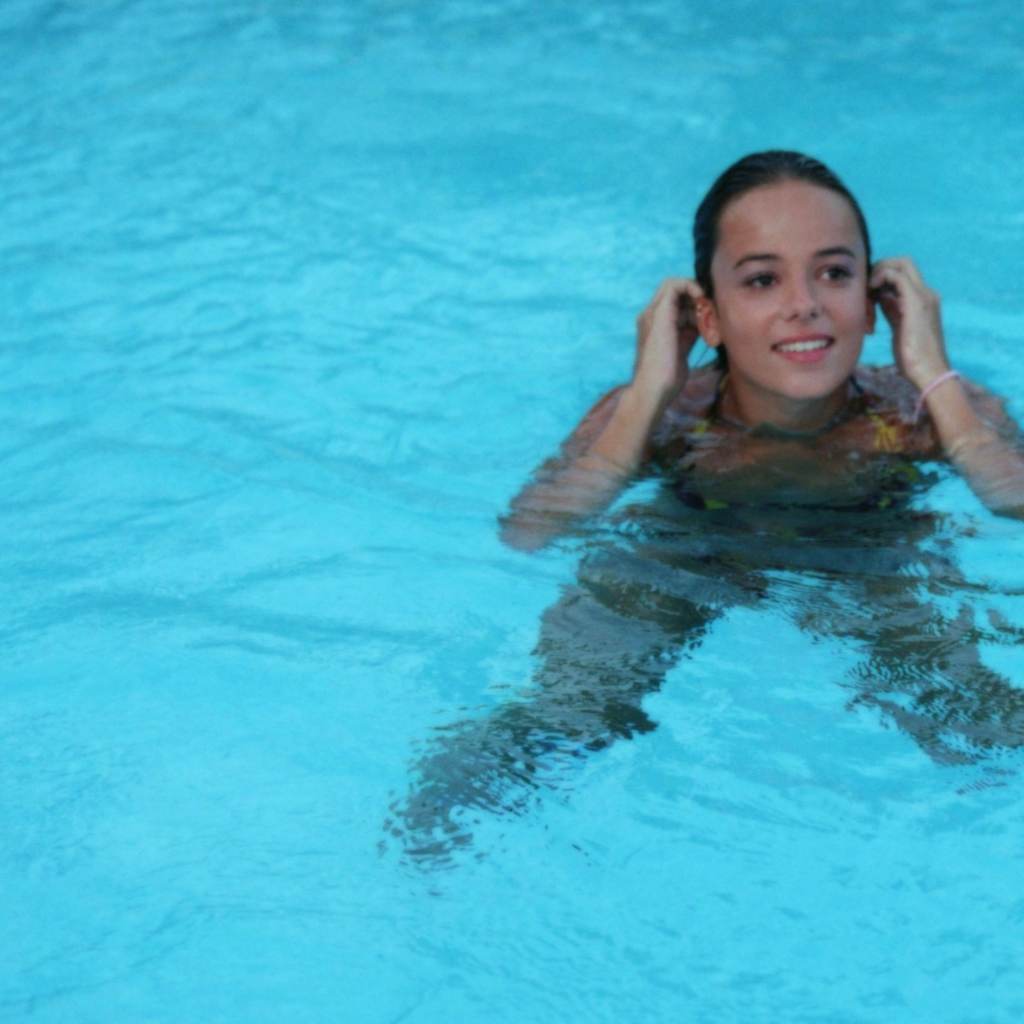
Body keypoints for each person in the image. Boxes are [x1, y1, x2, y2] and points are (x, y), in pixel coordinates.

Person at [389, 152, 1024, 866]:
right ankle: (423, 856)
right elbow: (531, 532)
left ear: (877, 304)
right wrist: (648, 393)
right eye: (762, 280)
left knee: (975, 720)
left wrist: (930, 366)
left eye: (834, 273)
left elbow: (1012, 499)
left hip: (870, 556)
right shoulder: (669, 412)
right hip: (691, 548)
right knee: (569, 710)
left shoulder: (920, 408)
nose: (804, 304)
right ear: (709, 317)